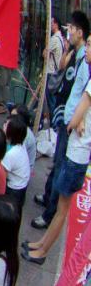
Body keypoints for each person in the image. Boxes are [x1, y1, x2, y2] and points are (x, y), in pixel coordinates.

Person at [24, 34, 91, 265]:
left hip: (77, 155)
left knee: (63, 210)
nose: (87, 49)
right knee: (61, 208)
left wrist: (77, 120)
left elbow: (73, 120)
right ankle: (40, 244)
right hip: (76, 153)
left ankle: (42, 252)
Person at [34, 12, 90, 232]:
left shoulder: (85, 59)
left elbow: (84, 94)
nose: (70, 33)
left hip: (72, 123)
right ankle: (48, 197)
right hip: (67, 117)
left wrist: (78, 119)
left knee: (61, 168)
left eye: (72, 30)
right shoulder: (77, 54)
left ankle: (49, 213)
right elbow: (62, 70)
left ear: (80, 31)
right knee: (57, 164)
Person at [2, 114, 30, 212]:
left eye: (6, 125)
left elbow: (2, 176)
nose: (4, 125)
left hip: (13, 190)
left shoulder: (11, 154)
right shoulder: (20, 145)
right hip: (22, 186)